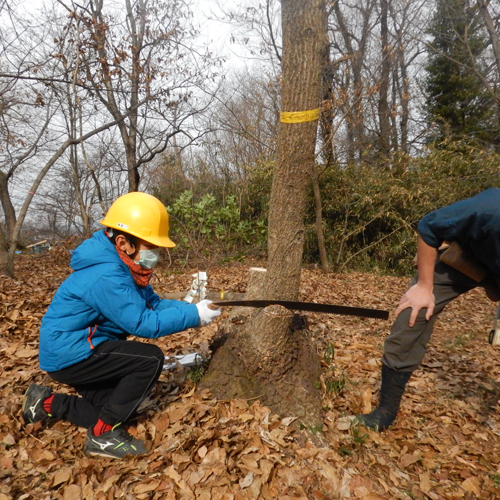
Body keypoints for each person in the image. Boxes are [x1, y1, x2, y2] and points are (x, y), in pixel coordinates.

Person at [22, 192, 221, 458]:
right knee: (149, 360)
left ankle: (44, 402)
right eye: (151, 245)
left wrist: (193, 309)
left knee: (110, 412)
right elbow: (143, 323)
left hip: (73, 351)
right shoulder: (107, 274)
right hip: (73, 354)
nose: (157, 253)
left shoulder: (121, 265)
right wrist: (194, 316)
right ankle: (102, 437)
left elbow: (153, 304)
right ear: (123, 242)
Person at [358, 187, 500, 431]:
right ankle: (386, 411)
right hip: (466, 260)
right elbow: (429, 227)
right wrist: (424, 287)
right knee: (412, 316)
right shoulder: (489, 209)